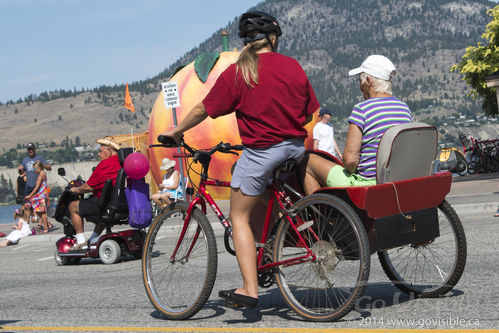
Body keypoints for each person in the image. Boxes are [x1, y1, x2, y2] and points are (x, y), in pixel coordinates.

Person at [160, 11, 319, 309]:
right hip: (294, 149)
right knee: (244, 176)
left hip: (262, 152)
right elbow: (310, 112)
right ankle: (268, 244)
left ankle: (249, 289)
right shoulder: (293, 66)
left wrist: (176, 131)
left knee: (238, 216)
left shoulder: (239, 71)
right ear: (273, 38)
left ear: (247, 41)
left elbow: (204, 108)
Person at [301, 55, 413, 195]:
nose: (360, 86)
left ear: (369, 81)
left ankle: (322, 215)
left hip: (368, 184)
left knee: (307, 161)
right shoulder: (404, 108)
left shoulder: (363, 109)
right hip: (398, 179)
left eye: (360, 81)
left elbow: (350, 161)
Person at [67, 137, 122, 251]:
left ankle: (81, 242)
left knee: (73, 207)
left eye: (100, 151)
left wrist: (76, 190)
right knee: (102, 211)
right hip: (121, 203)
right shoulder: (123, 162)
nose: (98, 154)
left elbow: (88, 187)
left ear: (109, 151)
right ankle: (93, 239)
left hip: (105, 204)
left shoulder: (105, 164)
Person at [25, 161, 52, 233]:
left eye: (35, 169)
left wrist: (30, 195)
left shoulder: (41, 175)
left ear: (38, 168)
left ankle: (46, 228)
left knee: (41, 212)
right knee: (40, 212)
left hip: (41, 195)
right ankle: (47, 226)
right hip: (44, 194)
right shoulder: (43, 173)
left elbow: (37, 187)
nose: (34, 170)